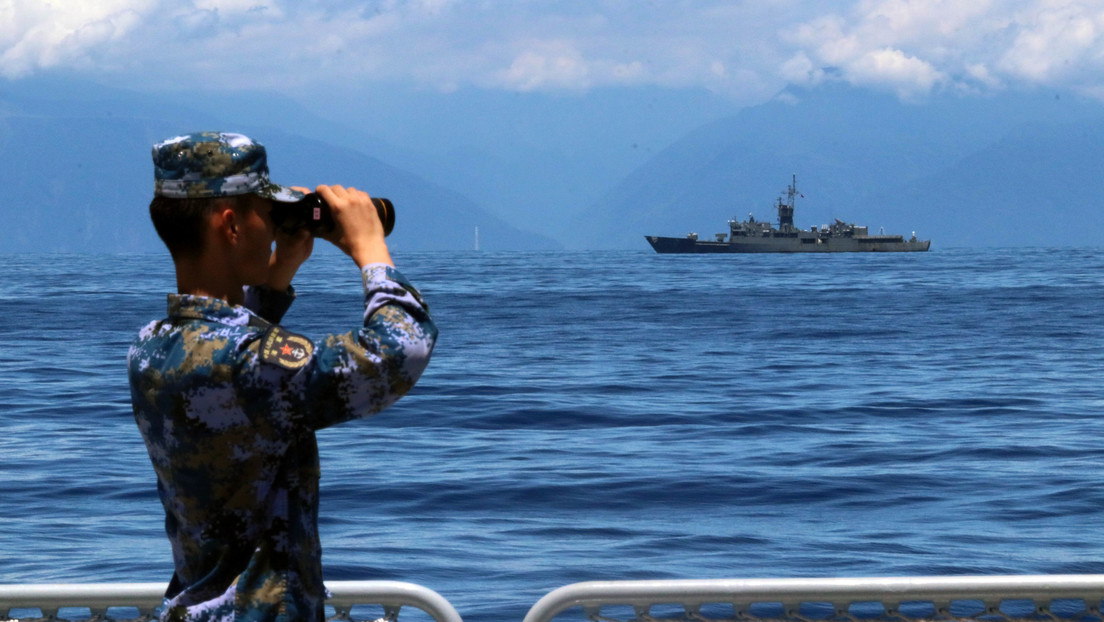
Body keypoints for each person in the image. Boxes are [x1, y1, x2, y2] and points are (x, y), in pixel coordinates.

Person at [127, 131, 437, 622]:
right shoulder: (248, 364)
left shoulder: (151, 347)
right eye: (264, 213)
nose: (273, 228)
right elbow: (399, 352)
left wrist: (276, 276)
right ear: (230, 225)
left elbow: (231, 359)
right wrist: (371, 251)